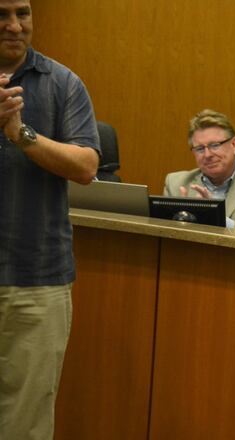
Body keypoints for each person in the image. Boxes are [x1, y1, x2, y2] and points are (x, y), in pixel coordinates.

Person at [0, 1, 101, 438]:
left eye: (23, 13)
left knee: (26, 423)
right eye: (2, 14)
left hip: (37, 279)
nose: (14, 25)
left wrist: (20, 133)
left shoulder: (63, 83)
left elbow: (86, 166)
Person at [163, 109, 235, 226]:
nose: (207, 155)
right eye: (200, 149)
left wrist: (215, 216)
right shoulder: (176, 184)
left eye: (215, 145)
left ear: (234, 145)